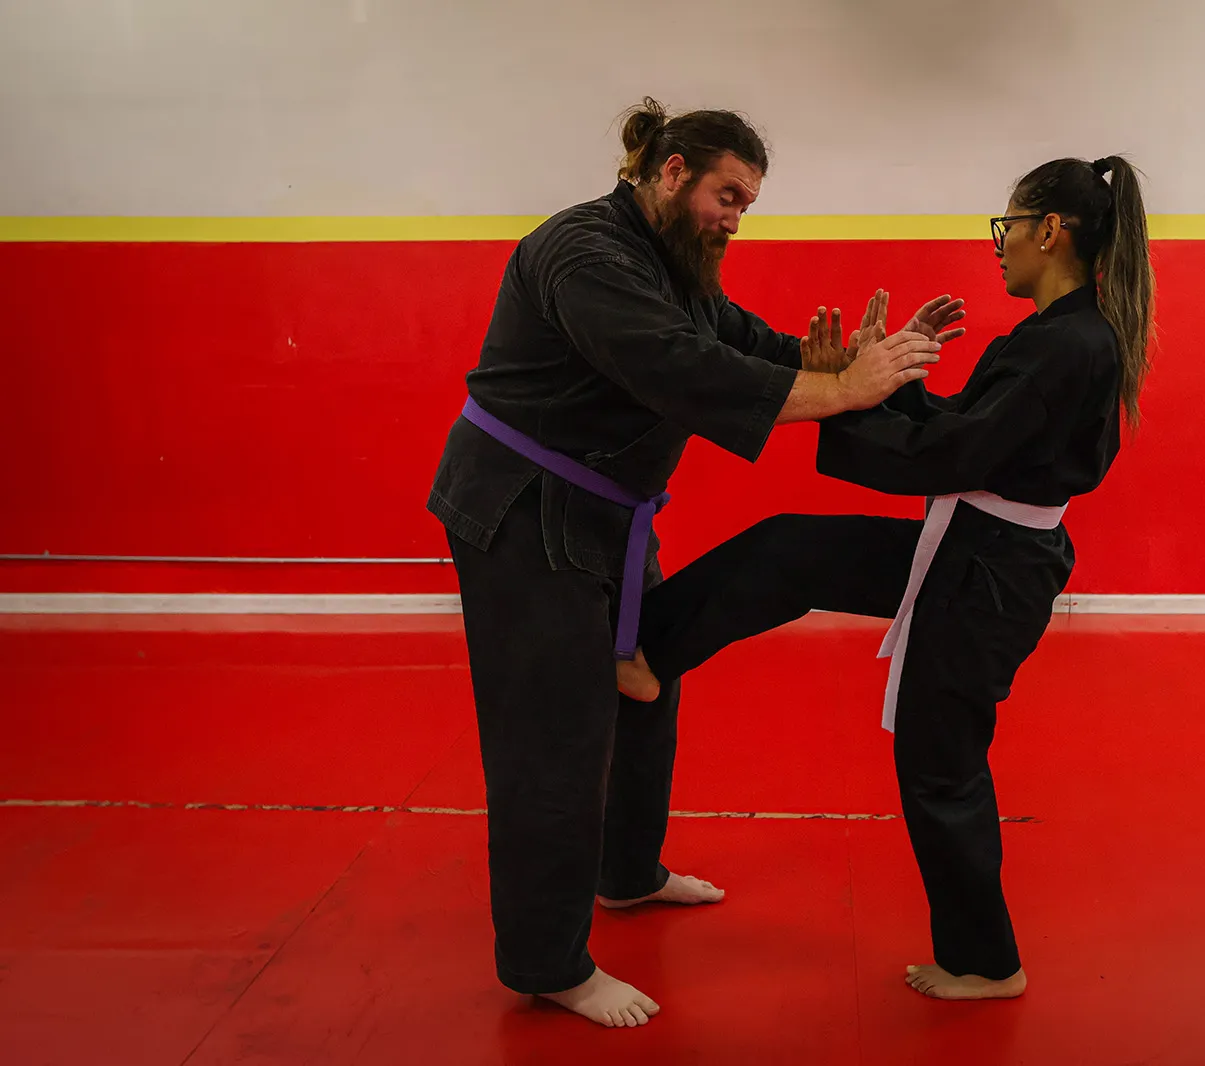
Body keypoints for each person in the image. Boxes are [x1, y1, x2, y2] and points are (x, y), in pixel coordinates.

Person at [426, 96, 960, 1028]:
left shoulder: (671, 264)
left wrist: (841, 362)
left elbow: (741, 342)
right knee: (554, 738)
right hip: (521, 511)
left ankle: (627, 873)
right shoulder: (584, 253)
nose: (735, 218)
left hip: (606, 517)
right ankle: (548, 964)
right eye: (728, 195)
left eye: (746, 204)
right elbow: (682, 368)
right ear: (671, 171)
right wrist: (838, 388)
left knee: (649, 679)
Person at [617, 154, 1155, 1002]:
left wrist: (846, 395)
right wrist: (888, 376)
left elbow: (952, 453)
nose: (1000, 244)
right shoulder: (1058, 335)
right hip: (977, 546)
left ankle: (985, 962)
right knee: (792, 549)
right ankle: (650, 652)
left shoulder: (1068, 343)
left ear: (1050, 231)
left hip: (987, 571)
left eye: (1008, 226)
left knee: (940, 764)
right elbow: (963, 428)